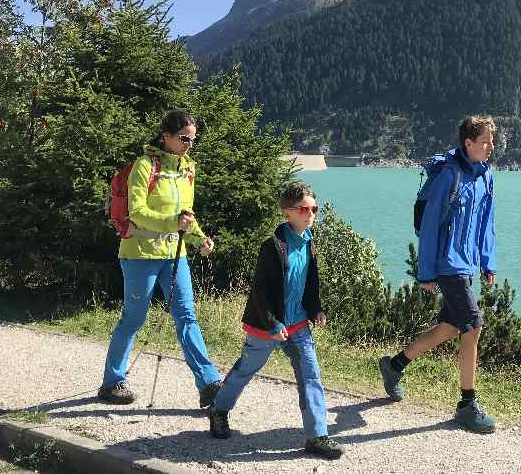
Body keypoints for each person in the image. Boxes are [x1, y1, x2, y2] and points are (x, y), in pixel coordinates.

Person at [207, 182, 344, 460]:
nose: (311, 213)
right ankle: (219, 410)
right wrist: (272, 323)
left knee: (311, 375)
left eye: (313, 208)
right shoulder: (273, 247)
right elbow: (260, 290)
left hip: (299, 324)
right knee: (247, 368)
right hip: (267, 325)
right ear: (287, 214)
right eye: (304, 209)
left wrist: (316, 308)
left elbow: (310, 282)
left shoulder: (310, 241)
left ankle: (317, 436)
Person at [379, 115, 498, 433]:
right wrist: (426, 272)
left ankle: (395, 365)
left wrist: (487, 261)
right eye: (484, 141)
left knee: (451, 326)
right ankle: (466, 404)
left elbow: (486, 222)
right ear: (468, 143)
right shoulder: (449, 175)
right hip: (447, 264)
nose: (490, 147)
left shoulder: (486, 177)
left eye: (491, 141)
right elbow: (430, 227)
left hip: (467, 262)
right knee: (473, 326)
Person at [99, 109, 222, 407]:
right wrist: (173, 225)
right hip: (140, 254)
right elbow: (137, 211)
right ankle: (112, 382)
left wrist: (198, 238)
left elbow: (186, 218)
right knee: (134, 317)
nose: (188, 145)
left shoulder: (188, 169)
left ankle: (208, 383)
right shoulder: (145, 166)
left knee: (186, 315)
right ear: (165, 136)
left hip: (175, 254)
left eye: (193, 140)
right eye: (183, 139)